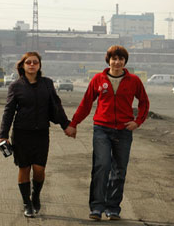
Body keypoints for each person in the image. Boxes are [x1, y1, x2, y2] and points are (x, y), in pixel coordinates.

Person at [64, 45, 149, 221]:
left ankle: (113, 208)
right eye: (114, 59)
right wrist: (73, 123)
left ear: (125, 62)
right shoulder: (98, 79)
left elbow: (144, 103)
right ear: (108, 60)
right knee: (101, 166)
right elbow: (86, 104)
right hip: (102, 129)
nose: (117, 62)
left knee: (119, 170)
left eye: (121, 59)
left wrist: (137, 121)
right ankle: (96, 207)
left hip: (124, 131)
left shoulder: (134, 81)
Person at [0, 52, 71, 218]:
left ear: (39, 65)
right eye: (28, 62)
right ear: (23, 65)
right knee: (24, 168)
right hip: (22, 133)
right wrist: (2, 135)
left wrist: (66, 125)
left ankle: (36, 195)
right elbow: (8, 111)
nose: (32, 65)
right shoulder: (16, 86)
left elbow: (56, 105)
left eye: (35, 62)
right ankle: (26, 203)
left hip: (41, 133)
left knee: (39, 169)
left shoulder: (47, 84)